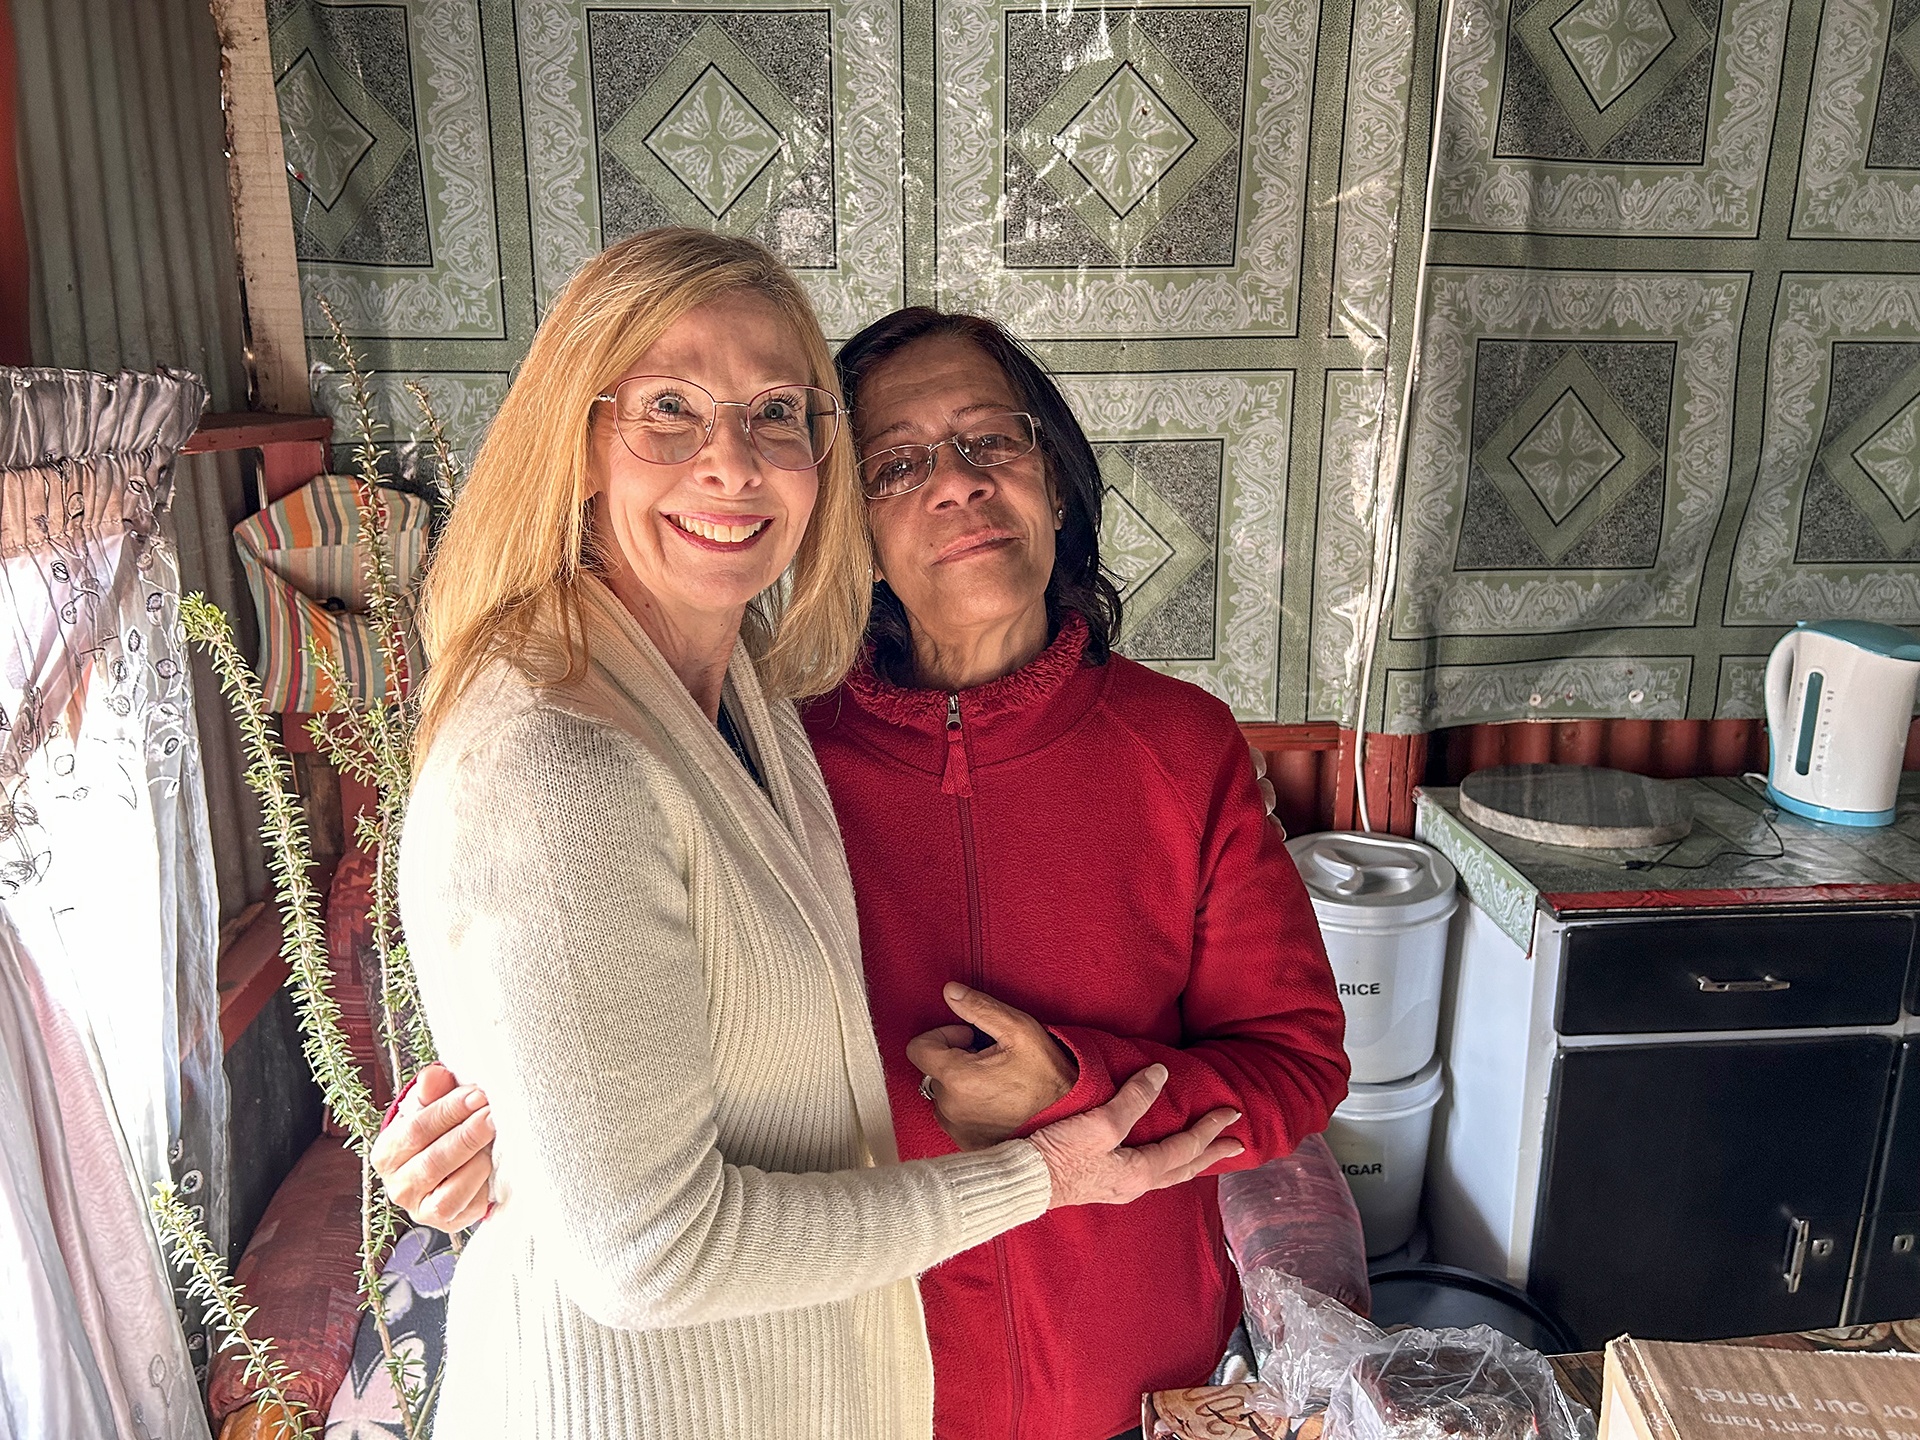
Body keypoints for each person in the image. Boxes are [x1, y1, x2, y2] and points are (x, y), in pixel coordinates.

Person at [378, 298, 1348, 1439]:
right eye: (898, 466)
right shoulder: (767, 752)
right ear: (848, 524)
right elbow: (603, 1018)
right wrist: (499, 1134)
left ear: (1054, 476)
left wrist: (1076, 1091)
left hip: (1125, 1381)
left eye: (992, 440)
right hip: (852, 1385)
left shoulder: (1180, 747)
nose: (958, 483)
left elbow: (1296, 1067)